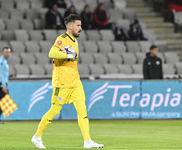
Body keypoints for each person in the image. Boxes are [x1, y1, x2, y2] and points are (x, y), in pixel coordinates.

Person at [31, 14, 104, 149]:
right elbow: (52, 53)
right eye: (78, 25)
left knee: (82, 111)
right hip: (62, 82)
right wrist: (66, 54)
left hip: (75, 81)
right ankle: (37, 137)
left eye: (80, 25)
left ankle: (87, 141)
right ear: (70, 26)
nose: (80, 28)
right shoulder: (62, 39)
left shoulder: (75, 41)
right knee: (54, 111)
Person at [0, 47, 17, 124]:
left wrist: (10, 75)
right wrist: (3, 85)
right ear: (2, 53)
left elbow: (3, 74)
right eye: (6, 52)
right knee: (5, 102)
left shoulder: (4, 62)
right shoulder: (1, 62)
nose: (8, 54)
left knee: (4, 103)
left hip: (3, 83)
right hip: (1, 84)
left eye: (9, 52)